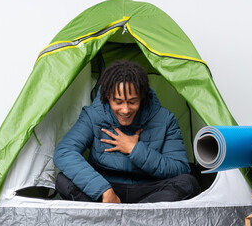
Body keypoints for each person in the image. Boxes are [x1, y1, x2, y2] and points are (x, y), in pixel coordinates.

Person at [53, 60, 200, 203]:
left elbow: (180, 168)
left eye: (132, 102)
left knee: (188, 183)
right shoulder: (93, 115)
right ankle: (129, 217)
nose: (125, 110)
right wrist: (103, 190)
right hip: (106, 190)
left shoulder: (165, 119)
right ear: (107, 97)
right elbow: (64, 153)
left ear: (142, 98)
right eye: (118, 102)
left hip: (148, 191)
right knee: (63, 180)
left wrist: (134, 149)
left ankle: (124, 218)